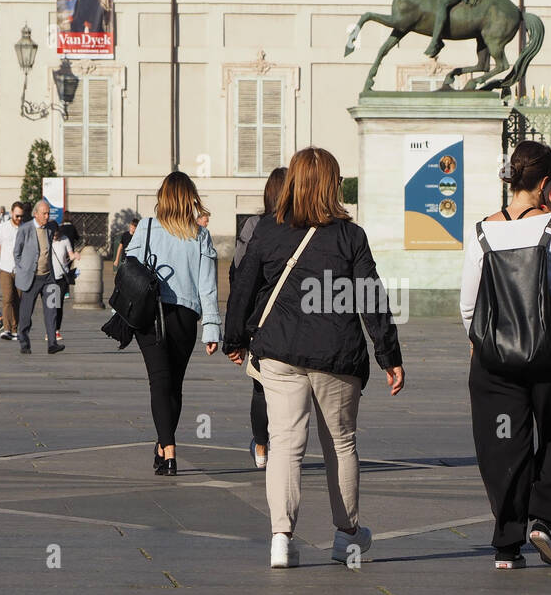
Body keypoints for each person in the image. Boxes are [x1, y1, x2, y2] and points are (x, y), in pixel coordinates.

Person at [224, 148, 404, 569]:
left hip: (280, 352)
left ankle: (281, 539)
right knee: (341, 443)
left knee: (285, 444)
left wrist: (234, 339)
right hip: (335, 354)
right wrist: (388, 354)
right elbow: (371, 299)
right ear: (331, 185)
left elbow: (243, 288)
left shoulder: (267, 231)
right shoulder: (349, 236)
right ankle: (346, 535)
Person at [461, 140, 551, 569]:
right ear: (546, 184)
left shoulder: (482, 230)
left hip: (494, 358)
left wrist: (483, 341)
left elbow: (468, 303)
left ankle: (506, 546)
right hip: (547, 351)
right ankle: (544, 519)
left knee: (503, 444)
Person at [128, 173, 220, 476]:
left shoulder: (147, 227)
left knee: (160, 382)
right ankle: (167, 447)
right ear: (189, 198)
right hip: (184, 316)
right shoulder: (200, 235)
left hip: (150, 314)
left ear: (164, 196)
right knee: (172, 385)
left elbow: (129, 268)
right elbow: (208, 287)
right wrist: (211, 328)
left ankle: (165, 449)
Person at [231, 167, 288, 469]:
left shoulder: (255, 226)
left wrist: (235, 336)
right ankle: (282, 444)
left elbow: (240, 278)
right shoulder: (304, 227)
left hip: (260, 318)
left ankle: (263, 446)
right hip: (293, 319)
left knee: (261, 385)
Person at [14, 200, 65, 355]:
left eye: (48, 213)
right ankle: (24, 342)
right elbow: (17, 253)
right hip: (32, 277)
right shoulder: (25, 229)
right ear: (35, 214)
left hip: (49, 277)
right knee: (26, 313)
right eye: (44, 213)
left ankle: (52, 343)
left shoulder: (50, 228)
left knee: (52, 310)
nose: (47, 216)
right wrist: (22, 270)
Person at [0, 202, 24, 341]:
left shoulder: (26, 228)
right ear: (11, 213)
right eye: (17, 216)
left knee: (18, 300)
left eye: (21, 216)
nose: (19, 219)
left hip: (21, 270)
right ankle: (7, 328)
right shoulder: (2, 228)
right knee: (7, 298)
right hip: (5, 268)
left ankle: (16, 329)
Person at [50, 225, 77, 342]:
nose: (55, 237)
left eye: (57, 234)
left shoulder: (65, 239)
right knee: (51, 305)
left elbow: (70, 254)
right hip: (50, 277)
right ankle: (50, 329)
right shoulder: (46, 239)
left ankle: (56, 330)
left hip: (62, 276)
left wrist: (74, 256)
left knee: (59, 304)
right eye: (54, 235)